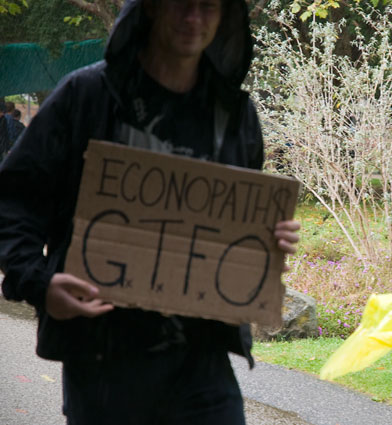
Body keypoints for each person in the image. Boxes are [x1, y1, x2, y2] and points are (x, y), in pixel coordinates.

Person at [0, 0, 300, 424]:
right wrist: (39, 281)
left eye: (209, 6)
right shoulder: (85, 96)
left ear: (226, 16)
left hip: (203, 366)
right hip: (103, 363)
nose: (194, 18)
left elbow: (235, 227)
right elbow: (13, 201)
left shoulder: (235, 114)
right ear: (152, 8)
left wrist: (268, 242)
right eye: (181, 3)